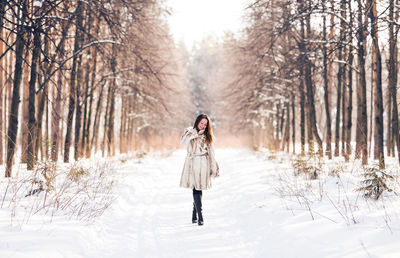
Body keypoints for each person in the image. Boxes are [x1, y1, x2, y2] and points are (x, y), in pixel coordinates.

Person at [180, 114, 220, 226]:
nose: (203, 126)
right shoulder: (189, 133)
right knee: (195, 187)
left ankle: (196, 213)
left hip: (203, 164)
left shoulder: (208, 136)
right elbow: (183, 143)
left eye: (205, 124)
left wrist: (213, 167)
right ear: (197, 122)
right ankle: (199, 214)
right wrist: (192, 134)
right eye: (201, 123)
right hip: (191, 163)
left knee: (199, 188)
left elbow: (212, 153)